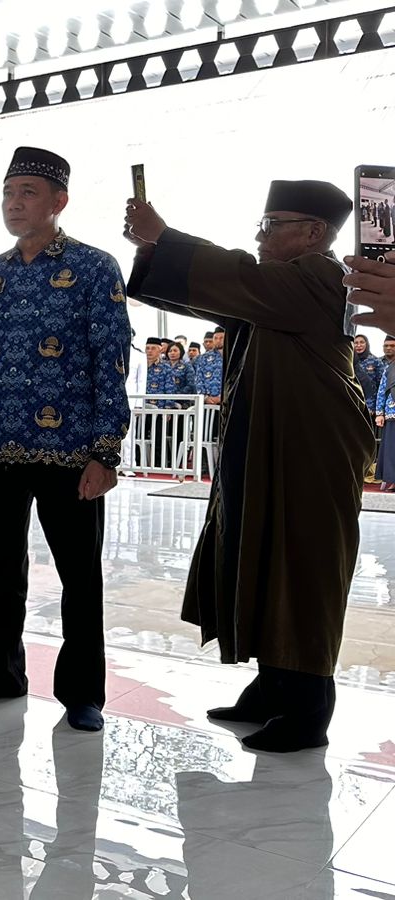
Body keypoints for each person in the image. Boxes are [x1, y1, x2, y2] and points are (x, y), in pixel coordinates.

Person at [125, 179, 373, 752]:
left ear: (314, 232)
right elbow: (213, 297)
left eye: (271, 226)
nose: (259, 237)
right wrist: (156, 252)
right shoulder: (275, 288)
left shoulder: (323, 276)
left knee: (303, 569)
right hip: (273, 442)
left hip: (312, 450)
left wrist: (168, 238)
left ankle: (309, 707)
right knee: (262, 558)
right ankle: (273, 684)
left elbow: (236, 278)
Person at [0, 147, 131, 733]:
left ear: (59, 201)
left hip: (70, 452)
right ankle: (3, 673)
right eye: (8, 192)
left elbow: (111, 363)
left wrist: (105, 451)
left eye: (28, 192)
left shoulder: (94, 268)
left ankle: (83, 694)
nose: (14, 203)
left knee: (80, 577)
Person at [377, 337, 395, 491]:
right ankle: (392, 479)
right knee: (391, 449)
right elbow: (382, 391)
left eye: (393, 346)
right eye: (386, 345)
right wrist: (379, 413)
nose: (389, 348)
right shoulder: (388, 368)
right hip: (391, 413)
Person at [354, 333, 385, 413]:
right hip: (354, 401)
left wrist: (379, 408)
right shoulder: (349, 361)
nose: (359, 345)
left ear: (366, 344)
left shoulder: (375, 361)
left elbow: (382, 385)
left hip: (371, 405)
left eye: (362, 342)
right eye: (356, 343)